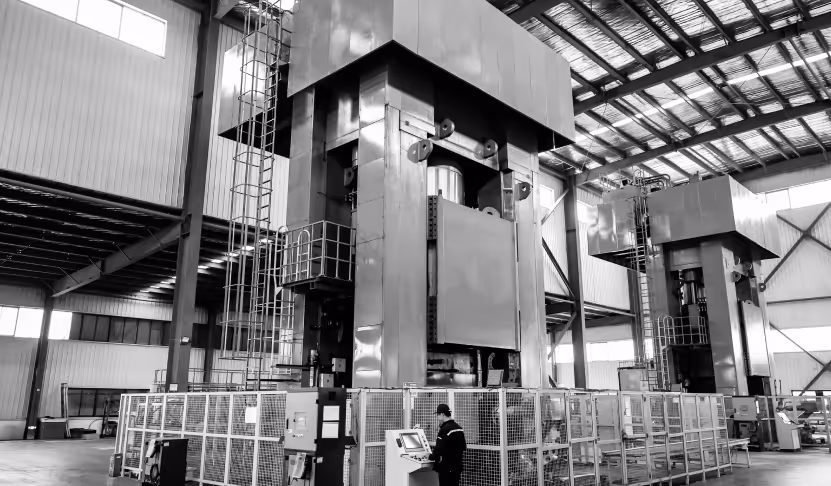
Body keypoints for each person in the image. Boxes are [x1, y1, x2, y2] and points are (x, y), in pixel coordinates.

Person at [429, 404, 466, 486]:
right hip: (457, 467)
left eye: (438, 415)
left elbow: (439, 449)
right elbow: (463, 446)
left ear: (442, 414)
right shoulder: (459, 428)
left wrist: (430, 457)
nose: (437, 417)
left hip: (446, 468)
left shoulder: (444, 430)